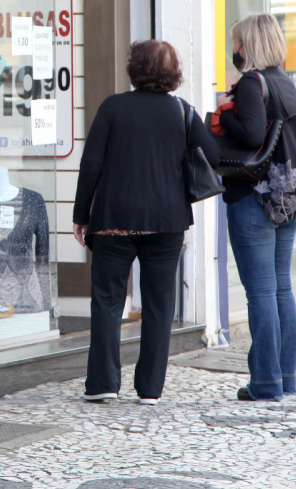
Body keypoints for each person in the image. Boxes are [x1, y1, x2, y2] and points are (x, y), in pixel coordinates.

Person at [72, 40, 219, 405]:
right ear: (174, 73)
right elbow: (213, 155)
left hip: (113, 220)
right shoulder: (183, 112)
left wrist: (80, 215)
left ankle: (103, 383)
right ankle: (150, 388)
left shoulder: (112, 107)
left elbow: (91, 164)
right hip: (166, 222)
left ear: (133, 69)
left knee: (107, 301)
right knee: (159, 304)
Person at [214, 14, 296, 401]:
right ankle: (285, 377)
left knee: (262, 292)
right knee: (281, 288)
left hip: (253, 198)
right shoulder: (285, 81)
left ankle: (265, 383)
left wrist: (224, 111)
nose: (234, 50)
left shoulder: (252, 83)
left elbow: (250, 135)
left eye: (237, 42)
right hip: (287, 197)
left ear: (247, 45)